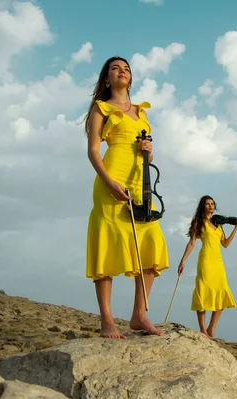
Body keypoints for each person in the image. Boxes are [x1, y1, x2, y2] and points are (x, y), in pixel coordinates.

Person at [84, 56, 169, 338]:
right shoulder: (101, 108)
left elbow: (148, 154)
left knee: (152, 242)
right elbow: (93, 150)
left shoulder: (141, 112)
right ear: (107, 78)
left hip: (140, 181)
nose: (122, 72)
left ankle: (138, 314)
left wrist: (148, 150)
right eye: (115, 68)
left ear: (130, 78)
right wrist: (108, 182)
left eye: (126, 69)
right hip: (112, 179)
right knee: (106, 246)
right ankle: (107, 320)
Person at [177, 195, 237, 338]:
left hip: (218, 262)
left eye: (212, 204)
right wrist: (183, 261)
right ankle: (202, 329)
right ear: (203, 206)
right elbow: (192, 243)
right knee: (203, 291)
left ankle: (211, 328)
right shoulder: (198, 222)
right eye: (207, 204)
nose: (210, 206)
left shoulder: (219, 224)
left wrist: (236, 228)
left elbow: (225, 244)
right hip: (205, 260)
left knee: (222, 291)